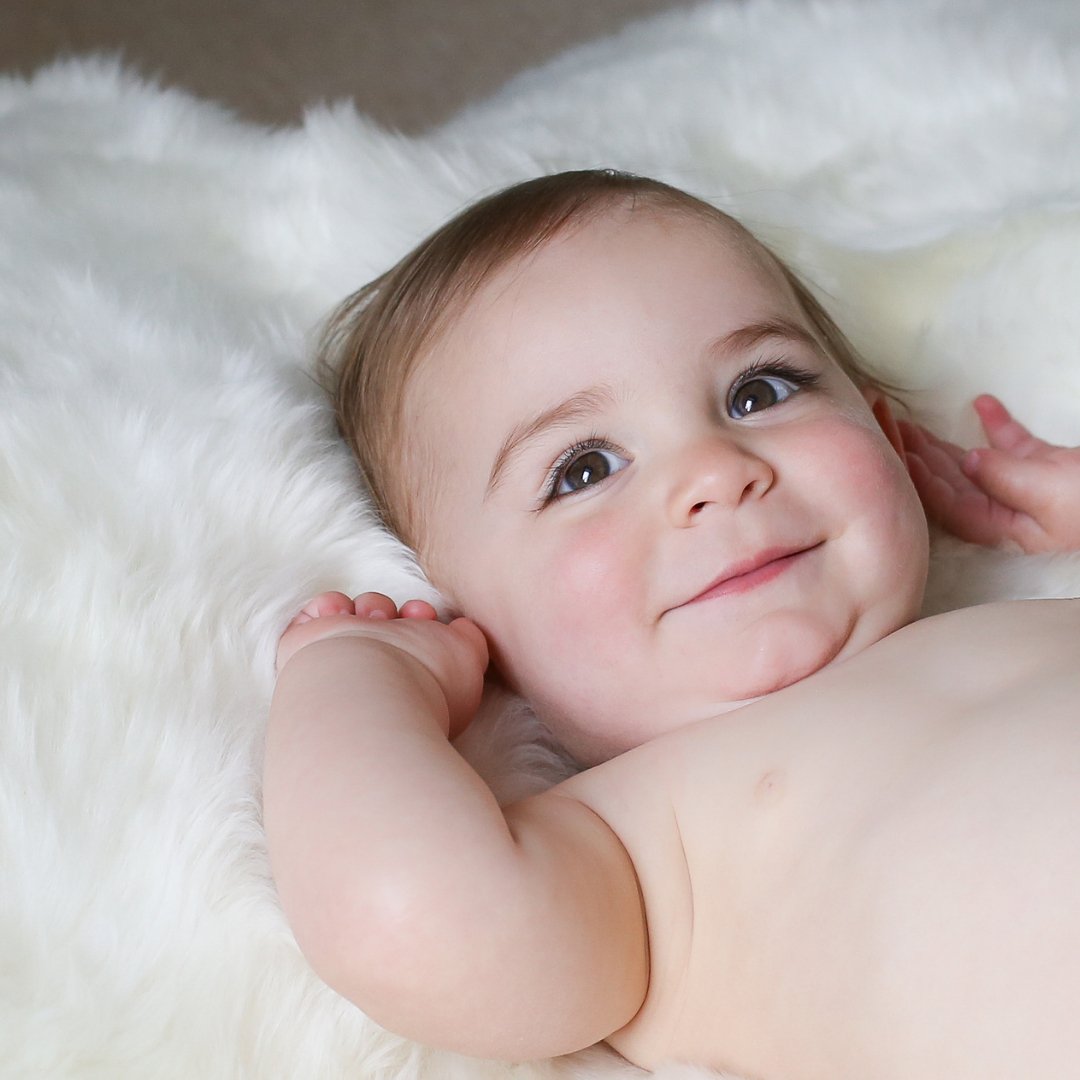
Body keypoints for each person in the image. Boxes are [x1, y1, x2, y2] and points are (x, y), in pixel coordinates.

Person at [263, 170, 1080, 1079]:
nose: (713, 471)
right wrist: (356, 681)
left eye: (760, 391)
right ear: (473, 624)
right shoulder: (635, 849)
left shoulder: (1026, 614)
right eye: (583, 469)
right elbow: (409, 919)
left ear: (887, 435)